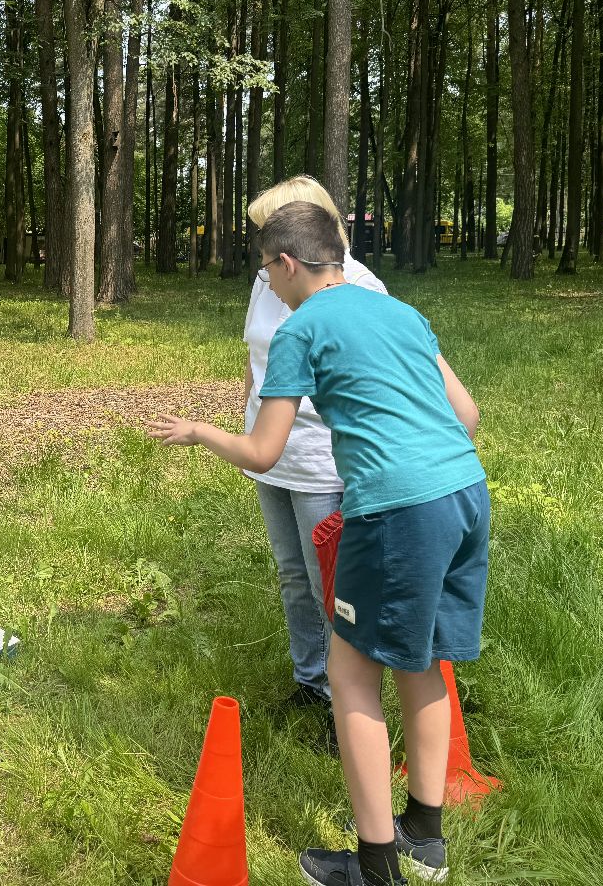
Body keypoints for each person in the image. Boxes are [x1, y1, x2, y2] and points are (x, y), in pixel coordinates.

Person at [147, 202, 489, 886]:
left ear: (289, 263)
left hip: (395, 513)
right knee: (423, 662)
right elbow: (468, 414)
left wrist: (199, 432)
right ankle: (425, 839)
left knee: (351, 675)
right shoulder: (397, 311)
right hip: (465, 496)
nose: (267, 288)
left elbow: (264, 451)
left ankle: (376, 866)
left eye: (266, 273)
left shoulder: (300, 329)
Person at [240, 177, 386, 721]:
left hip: (322, 455)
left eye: (267, 231)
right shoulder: (266, 278)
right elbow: (256, 356)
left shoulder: (362, 286)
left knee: (332, 583)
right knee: (292, 574)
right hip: (270, 449)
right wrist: (250, 420)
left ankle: (342, 696)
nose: (260, 242)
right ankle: (308, 681)